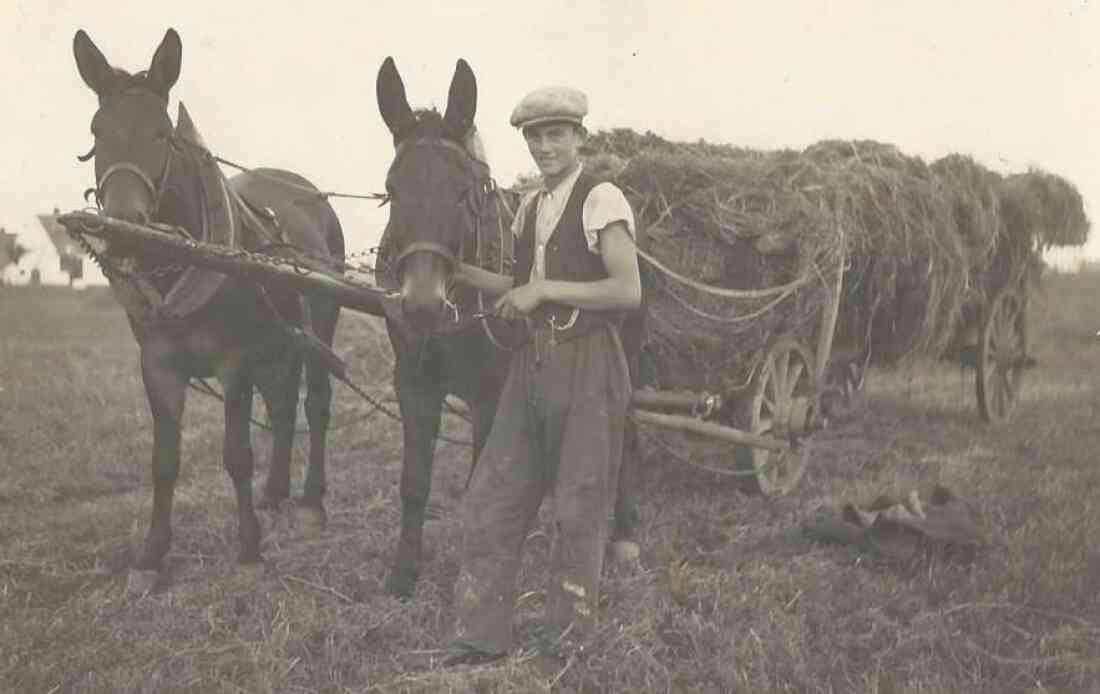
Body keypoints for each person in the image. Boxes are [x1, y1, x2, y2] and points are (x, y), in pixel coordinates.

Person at [445, 85, 642, 665]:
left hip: (589, 366)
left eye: (556, 133)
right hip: (531, 366)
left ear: (580, 136)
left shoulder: (600, 198)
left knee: (578, 508)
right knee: (492, 498)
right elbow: (519, 288)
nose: (544, 146)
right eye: (534, 136)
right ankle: (479, 636)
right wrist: (458, 273)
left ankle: (566, 647)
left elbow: (627, 290)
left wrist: (545, 290)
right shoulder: (531, 206)